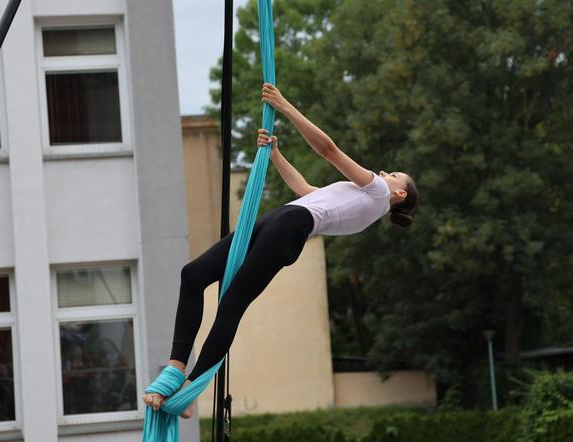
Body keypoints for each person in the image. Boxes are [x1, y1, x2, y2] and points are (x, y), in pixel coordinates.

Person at [142, 83, 418, 417]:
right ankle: (175, 368)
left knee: (231, 303)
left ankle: (191, 390)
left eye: (395, 175)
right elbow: (305, 190)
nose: (386, 172)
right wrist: (275, 154)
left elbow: (328, 150)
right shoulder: (365, 205)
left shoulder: (376, 193)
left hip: (289, 227)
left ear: (400, 195)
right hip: (282, 219)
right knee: (194, 274)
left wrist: (285, 106)